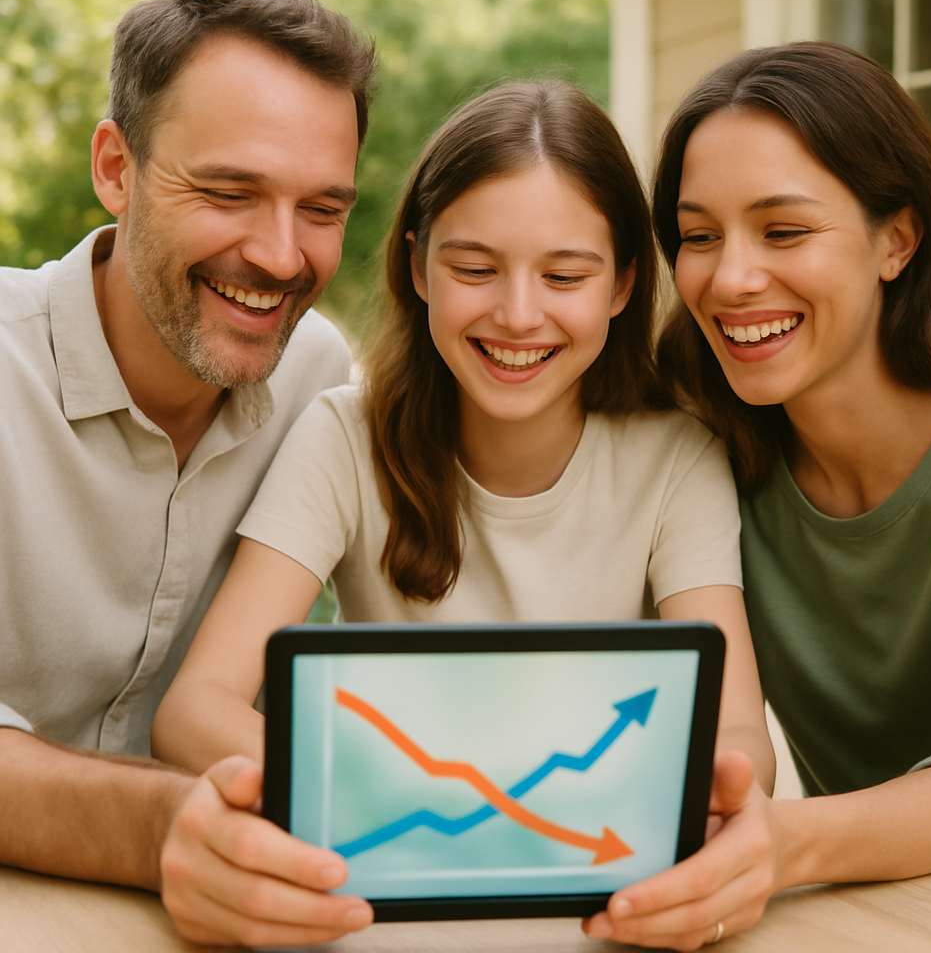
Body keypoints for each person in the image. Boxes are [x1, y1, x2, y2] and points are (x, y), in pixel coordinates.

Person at [151, 80, 776, 936]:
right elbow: (195, 709)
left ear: (625, 283)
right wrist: (403, 801)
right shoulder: (344, 435)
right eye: (474, 269)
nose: (518, 315)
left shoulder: (675, 460)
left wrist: (695, 805)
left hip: (600, 901)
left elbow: (739, 731)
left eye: (564, 275)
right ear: (417, 267)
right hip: (383, 901)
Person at [582, 39, 931, 949]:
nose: (731, 279)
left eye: (784, 231)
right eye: (698, 237)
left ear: (897, 240)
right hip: (873, 911)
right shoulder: (701, 446)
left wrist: (785, 844)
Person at [0, 0, 381, 947]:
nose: (283, 256)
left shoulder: (319, 379)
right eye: (228, 191)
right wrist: (169, 821)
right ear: (116, 167)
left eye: (324, 209)